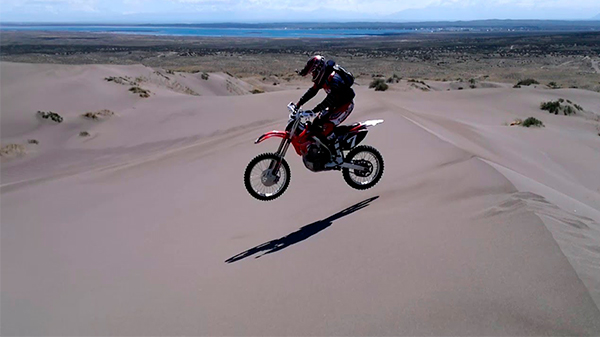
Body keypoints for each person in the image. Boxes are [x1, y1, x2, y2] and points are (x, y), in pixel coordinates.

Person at [292, 55, 355, 168]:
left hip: (345, 105)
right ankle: (322, 151)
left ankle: (337, 158)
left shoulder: (333, 79)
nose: (313, 75)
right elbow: (312, 91)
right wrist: (299, 104)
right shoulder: (324, 77)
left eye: (314, 72)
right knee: (316, 124)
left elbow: (330, 99)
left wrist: (314, 110)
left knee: (327, 127)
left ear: (319, 69)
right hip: (335, 106)